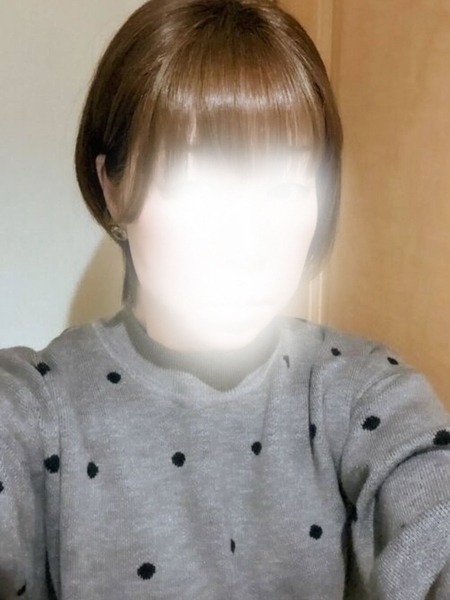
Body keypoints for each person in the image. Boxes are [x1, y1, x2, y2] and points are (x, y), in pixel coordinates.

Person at [1, 0, 450, 598]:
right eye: (194, 182)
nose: (247, 242)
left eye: (286, 185)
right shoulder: (33, 406)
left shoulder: (363, 393)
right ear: (112, 186)